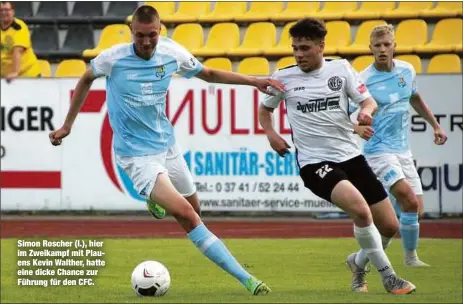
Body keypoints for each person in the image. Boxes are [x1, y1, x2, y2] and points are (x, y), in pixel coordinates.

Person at [49, 5, 285, 296]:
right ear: (131, 32)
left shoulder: (172, 53)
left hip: (168, 146)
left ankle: (154, 197)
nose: (146, 42)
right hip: (136, 155)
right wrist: (68, 125)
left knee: (195, 212)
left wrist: (254, 81)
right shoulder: (114, 58)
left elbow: (208, 73)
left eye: (151, 35)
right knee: (186, 215)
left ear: (160, 30)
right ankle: (247, 279)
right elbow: (86, 78)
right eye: (140, 36)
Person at [258, 18, 415, 295]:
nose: (299, 54)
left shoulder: (341, 69)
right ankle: (389, 277)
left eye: (305, 48)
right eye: (295, 48)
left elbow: (368, 100)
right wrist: (271, 134)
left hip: (350, 157)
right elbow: (265, 109)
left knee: (389, 225)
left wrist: (367, 111)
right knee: (360, 210)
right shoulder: (283, 77)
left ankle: (358, 262)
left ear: (321, 46)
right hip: (314, 163)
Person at [347, 24, 448, 285]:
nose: (382, 50)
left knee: (413, 210)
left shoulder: (407, 70)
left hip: (403, 149)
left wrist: (435, 125)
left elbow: (415, 98)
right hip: (378, 152)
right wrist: (357, 127)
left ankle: (359, 260)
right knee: (406, 197)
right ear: (370, 49)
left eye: (386, 45)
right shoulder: (362, 80)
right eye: (377, 46)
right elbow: (343, 113)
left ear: (394, 46)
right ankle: (410, 258)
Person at [0, 1, 41, 81]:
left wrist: (15, 72)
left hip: (28, 75)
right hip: (6, 78)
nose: (3, 13)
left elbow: (17, 51)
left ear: (13, 11)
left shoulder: (19, 27)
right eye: (1, 10)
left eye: (6, 10)